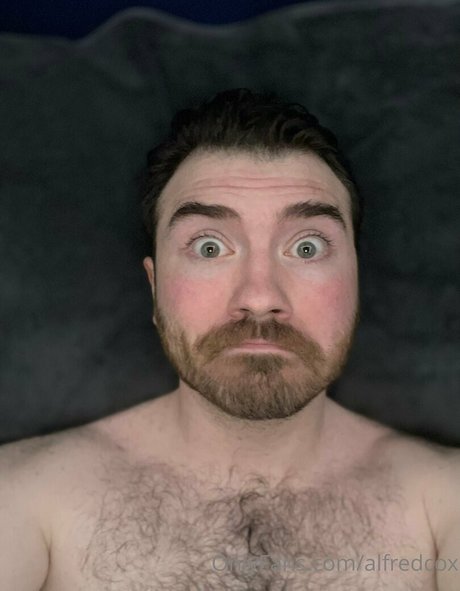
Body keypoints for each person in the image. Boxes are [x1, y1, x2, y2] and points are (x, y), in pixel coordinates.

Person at [0, 88, 458, 590]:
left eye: (307, 247)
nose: (259, 298)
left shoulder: (444, 507)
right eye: (209, 247)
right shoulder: (24, 499)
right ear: (154, 287)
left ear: (355, 282)